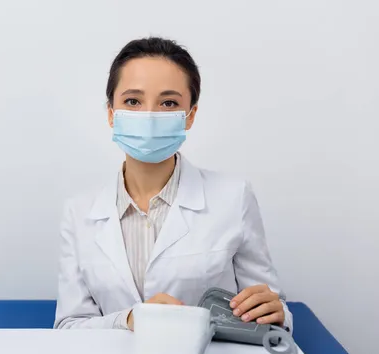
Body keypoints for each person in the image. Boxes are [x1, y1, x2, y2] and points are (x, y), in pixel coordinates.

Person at [54, 37, 291, 332]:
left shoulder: (234, 198)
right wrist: (129, 319)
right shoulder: (79, 211)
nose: (150, 115)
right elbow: (69, 327)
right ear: (111, 114)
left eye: (168, 103)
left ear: (189, 116)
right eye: (132, 101)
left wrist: (275, 311)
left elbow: (271, 307)